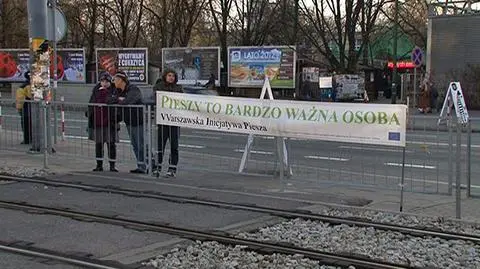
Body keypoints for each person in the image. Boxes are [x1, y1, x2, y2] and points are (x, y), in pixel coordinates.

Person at [112, 71, 147, 174]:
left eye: (116, 80)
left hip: (137, 120)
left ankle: (150, 164)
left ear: (121, 80)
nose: (114, 82)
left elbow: (128, 101)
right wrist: (119, 99)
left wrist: (120, 100)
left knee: (141, 144)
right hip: (129, 121)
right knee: (135, 144)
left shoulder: (133, 89)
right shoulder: (118, 91)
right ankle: (141, 165)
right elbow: (110, 99)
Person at [86, 72, 119, 172]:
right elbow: (92, 103)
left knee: (111, 144)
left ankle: (112, 165)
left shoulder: (113, 90)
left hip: (110, 121)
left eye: (106, 81)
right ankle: (99, 164)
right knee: (99, 144)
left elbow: (111, 100)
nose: (104, 83)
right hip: (98, 121)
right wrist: (89, 114)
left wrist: (105, 92)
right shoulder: (96, 90)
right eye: (102, 81)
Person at [154, 69, 183, 177]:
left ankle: (172, 168)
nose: (171, 77)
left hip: (174, 121)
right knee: (160, 146)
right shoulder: (159, 86)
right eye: (169, 75)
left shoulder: (178, 88)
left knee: (174, 146)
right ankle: (157, 167)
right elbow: (155, 98)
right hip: (162, 121)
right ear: (165, 76)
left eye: (173, 76)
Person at [16, 71, 32, 144]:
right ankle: (28, 139)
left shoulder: (24, 86)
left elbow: (26, 97)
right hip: (26, 107)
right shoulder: (28, 86)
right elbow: (29, 96)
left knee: (26, 124)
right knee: (27, 124)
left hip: (25, 107)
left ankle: (27, 139)